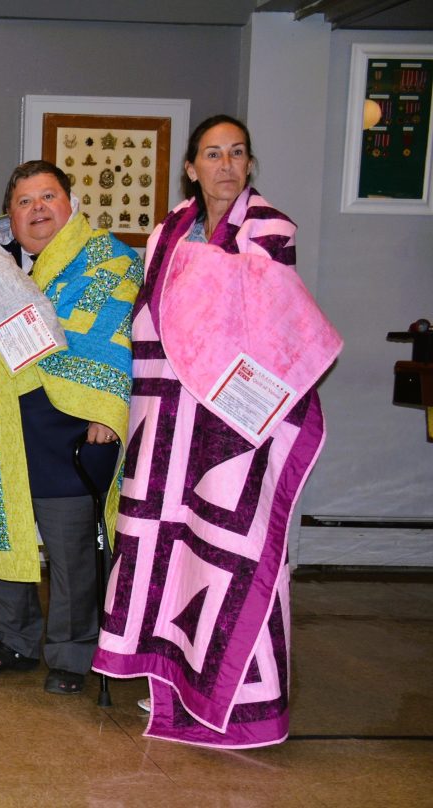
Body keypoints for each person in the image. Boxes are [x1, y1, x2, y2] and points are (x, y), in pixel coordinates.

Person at [92, 115, 339, 747]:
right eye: (212, 154)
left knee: (232, 552)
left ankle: (239, 706)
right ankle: (170, 696)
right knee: (163, 552)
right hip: (165, 419)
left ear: (249, 165)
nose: (225, 165)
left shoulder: (270, 228)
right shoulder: (167, 231)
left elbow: (260, 316)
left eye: (236, 154)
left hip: (231, 428)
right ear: (191, 168)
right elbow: (151, 317)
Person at [0, 160, 141, 694]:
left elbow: (112, 332)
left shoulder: (107, 261)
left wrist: (104, 409)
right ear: (10, 213)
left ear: (70, 205)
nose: (38, 210)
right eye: (25, 201)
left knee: (72, 546)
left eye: (48, 197)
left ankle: (73, 655)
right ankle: (13, 641)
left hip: (68, 423)